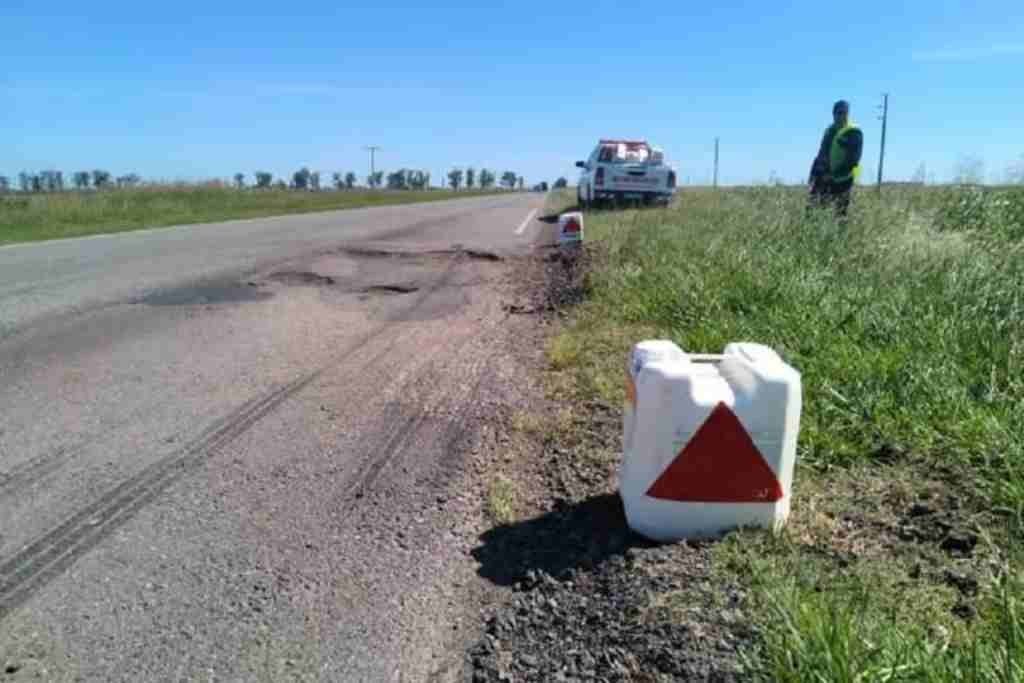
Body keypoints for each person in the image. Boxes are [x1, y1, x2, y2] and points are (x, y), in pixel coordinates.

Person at [807, 100, 863, 216]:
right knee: (813, 211)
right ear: (833, 114)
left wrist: (834, 174)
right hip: (824, 177)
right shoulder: (829, 131)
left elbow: (853, 160)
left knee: (840, 214)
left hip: (843, 179)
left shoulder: (853, 132)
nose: (841, 116)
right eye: (838, 113)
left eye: (844, 113)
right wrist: (814, 175)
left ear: (848, 114)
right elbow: (821, 154)